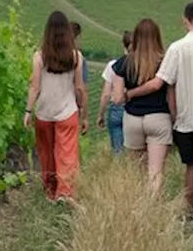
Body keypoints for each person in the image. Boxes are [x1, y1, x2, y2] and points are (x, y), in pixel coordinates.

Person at [124, 1, 193, 228]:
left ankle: (190, 207)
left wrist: (133, 93)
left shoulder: (176, 49)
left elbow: (163, 83)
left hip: (186, 118)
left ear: (185, 19)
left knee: (190, 165)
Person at [25, 11, 87, 204]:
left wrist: (28, 111)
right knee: (67, 153)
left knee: (47, 153)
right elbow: (79, 87)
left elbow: (35, 87)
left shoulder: (39, 57)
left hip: (44, 112)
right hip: (67, 112)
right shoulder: (76, 57)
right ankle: (65, 192)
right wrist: (84, 115)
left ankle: (50, 191)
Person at [111, 19, 173, 191]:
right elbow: (170, 93)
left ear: (136, 37)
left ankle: (137, 209)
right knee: (155, 173)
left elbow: (117, 99)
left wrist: (127, 94)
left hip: (132, 120)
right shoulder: (165, 62)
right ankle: (152, 207)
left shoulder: (123, 63)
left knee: (137, 171)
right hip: (159, 118)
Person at [97, 30, 134, 154]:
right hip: (134, 108)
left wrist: (101, 115)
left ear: (124, 46)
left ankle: (118, 171)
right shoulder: (141, 65)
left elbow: (106, 94)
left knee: (118, 150)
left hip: (116, 109)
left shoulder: (113, 65)